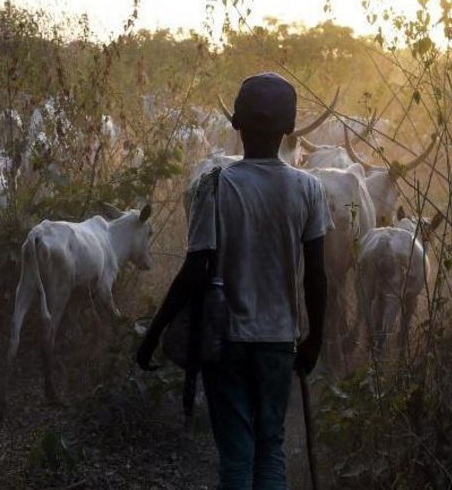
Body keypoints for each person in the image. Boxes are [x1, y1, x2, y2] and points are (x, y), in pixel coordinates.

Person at [137, 72, 332, 490]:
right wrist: (315, 337)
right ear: (290, 128)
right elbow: (317, 275)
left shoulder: (215, 184)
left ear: (235, 124)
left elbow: (195, 269)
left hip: (225, 343)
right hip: (279, 342)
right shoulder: (309, 189)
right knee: (270, 449)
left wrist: (154, 331)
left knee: (237, 459)